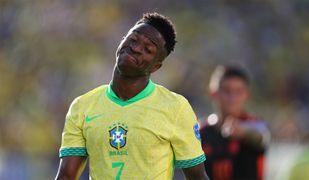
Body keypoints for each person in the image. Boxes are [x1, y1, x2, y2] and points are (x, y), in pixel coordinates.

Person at [55, 12, 209, 180]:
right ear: (122, 40)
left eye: (147, 49)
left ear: (155, 66)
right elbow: (66, 176)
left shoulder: (176, 107)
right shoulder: (83, 106)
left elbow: (198, 177)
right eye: (133, 39)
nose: (135, 48)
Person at [200, 66, 269, 180]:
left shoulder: (255, 125)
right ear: (213, 93)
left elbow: (262, 136)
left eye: (238, 91)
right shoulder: (201, 130)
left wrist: (245, 133)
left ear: (247, 95)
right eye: (226, 91)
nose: (232, 98)